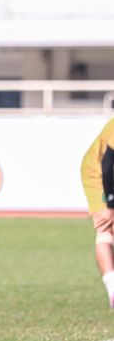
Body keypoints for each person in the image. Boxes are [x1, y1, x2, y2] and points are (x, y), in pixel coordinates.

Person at [82, 118, 114, 308]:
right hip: (98, 175)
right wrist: (110, 204)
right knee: (106, 229)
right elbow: (108, 162)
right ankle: (112, 289)